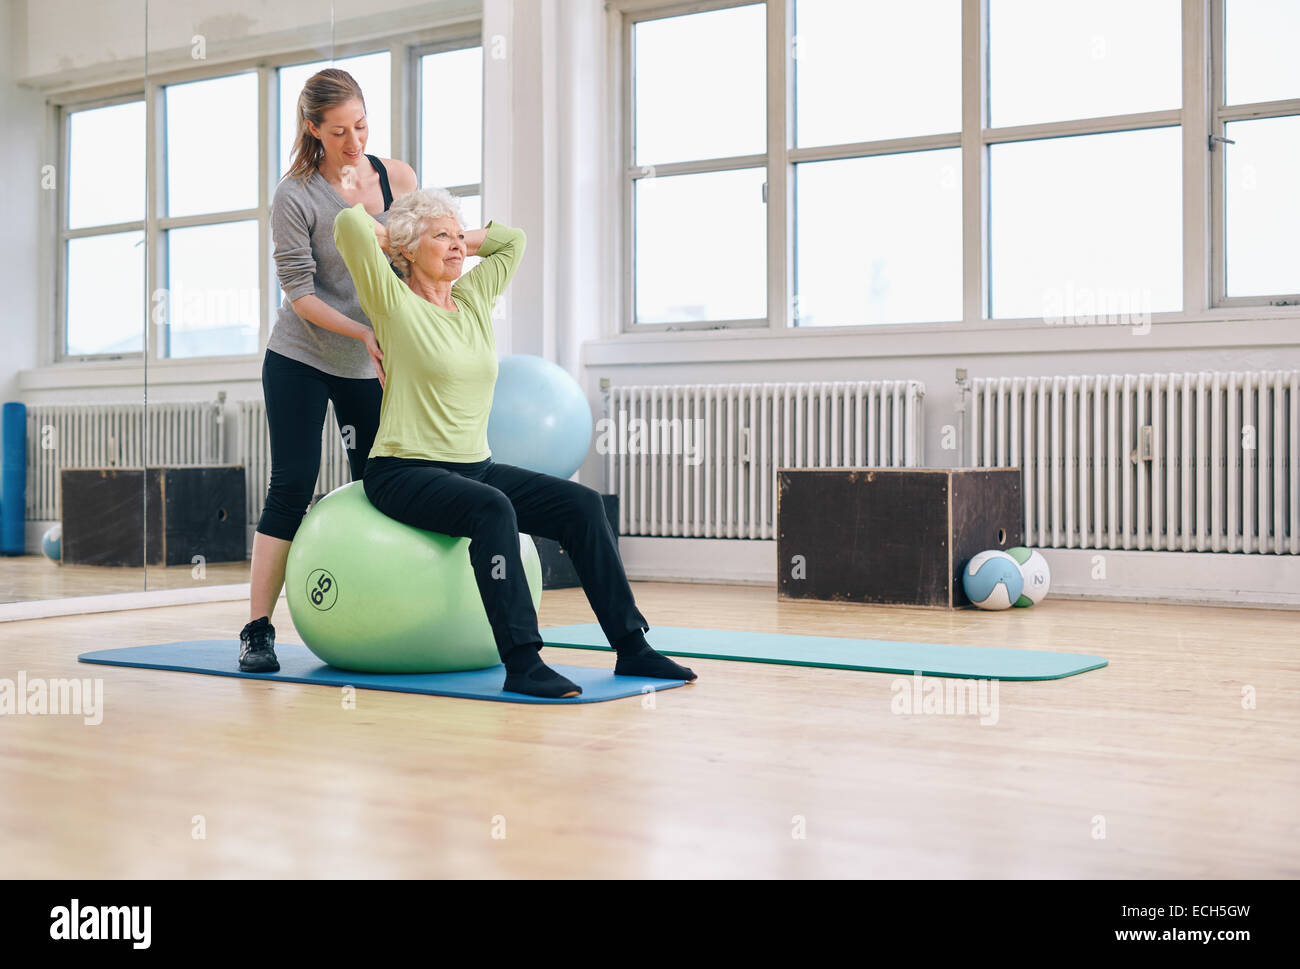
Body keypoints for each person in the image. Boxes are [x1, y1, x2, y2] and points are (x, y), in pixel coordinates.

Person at [332, 186, 698, 698]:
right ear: (409, 248)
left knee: (584, 506)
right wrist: (407, 232)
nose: (459, 247)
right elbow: (349, 226)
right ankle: (523, 662)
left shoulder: (474, 298)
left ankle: (632, 646)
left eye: (462, 237)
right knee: (492, 510)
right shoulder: (391, 301)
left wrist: (452, 235)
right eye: (443, 238)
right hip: (402, 470)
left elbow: (512, 241)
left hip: (475, 466)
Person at [239, 68, 417, 673]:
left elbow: (414, 267)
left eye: (361, 125)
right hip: (303, 357)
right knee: (293, 482)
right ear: (312, 128)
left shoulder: (396, 179)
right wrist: (365, 331)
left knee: (381, 481)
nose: (353, 141)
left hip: (370, 363)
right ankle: (257, 629)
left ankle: (387, 605)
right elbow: (300, 294)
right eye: (338, 131)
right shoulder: (296, 194)